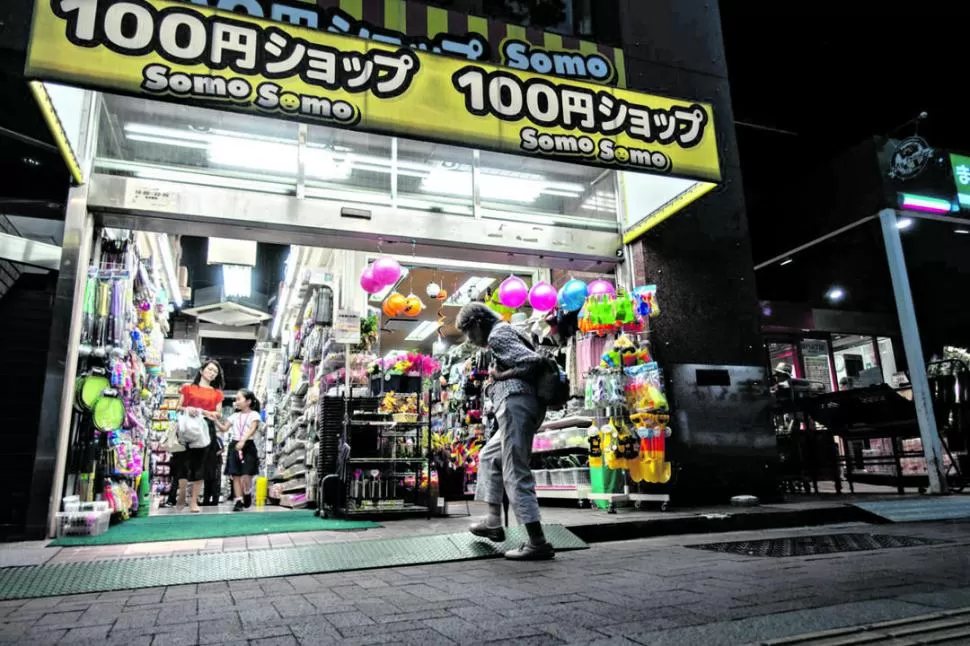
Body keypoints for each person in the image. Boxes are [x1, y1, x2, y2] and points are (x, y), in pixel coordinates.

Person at [455, 302, 554, 560]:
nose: (470, 340)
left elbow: (534, 362)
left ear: (477, 323)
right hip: (520, 405)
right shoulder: (507, 331)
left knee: (515, 471)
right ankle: (493, 521)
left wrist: (500, 376)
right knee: (490, 456)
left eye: (468, 333)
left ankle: (537, 541)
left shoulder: (498, 334)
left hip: (516, 405)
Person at [177, 361, 225, 513]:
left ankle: (194, 501)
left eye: (215, 372)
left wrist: (203, 412)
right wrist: (188, 408)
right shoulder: (187, 388)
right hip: (187, 426)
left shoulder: (216, 393)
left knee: (201, 465)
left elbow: (218, 413)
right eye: (210, 369)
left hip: (206, 428)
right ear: (202, 370)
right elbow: (178, 407)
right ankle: (182, 493)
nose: (212, 373)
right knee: (184, 462)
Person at [217, 388, 261, 512]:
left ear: (248, 401)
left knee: (246, 475)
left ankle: (247, 491)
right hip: (235, 444)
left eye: (239, 399)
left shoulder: (254, 414)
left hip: (248, 445)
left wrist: (243, 441)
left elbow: (252, 429)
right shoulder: (234, 416)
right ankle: (239, 501)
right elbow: (224, 428)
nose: (236, 401)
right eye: (236, 399)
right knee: (235, 475)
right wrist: (214, 419)